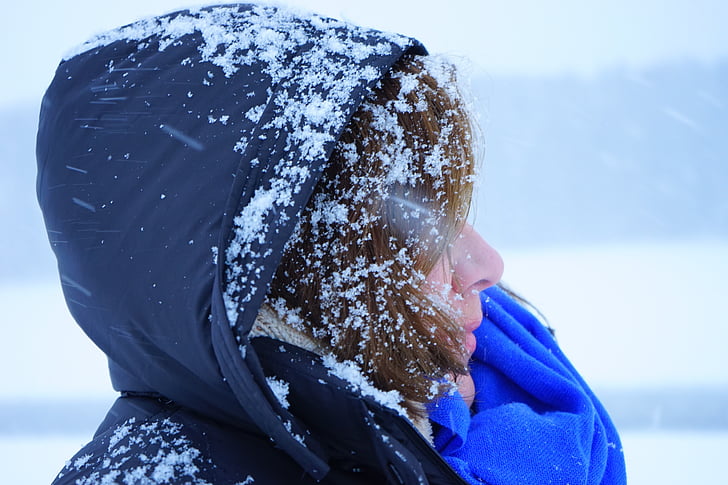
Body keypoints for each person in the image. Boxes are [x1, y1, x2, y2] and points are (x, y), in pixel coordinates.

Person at [37, 4, 626, 484]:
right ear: (287, 274)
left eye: (457, 214)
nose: (489, 266)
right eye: (420, 228)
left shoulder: (502, 400)